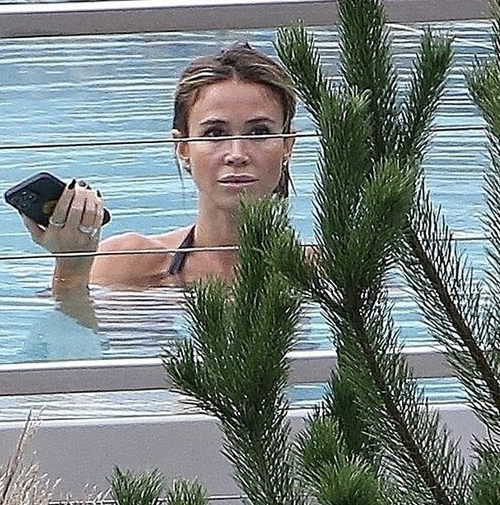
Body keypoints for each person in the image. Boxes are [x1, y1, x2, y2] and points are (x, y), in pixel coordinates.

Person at [21, 43, 298, 336]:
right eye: (215, 133)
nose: (237, 154)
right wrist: (71, 269)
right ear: (182, 148)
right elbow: (66, 351)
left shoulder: (317, 271)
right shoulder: (127, 264)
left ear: (287, 146)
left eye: (259, 132)